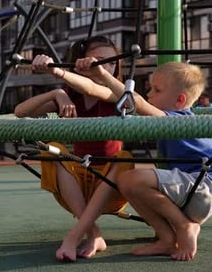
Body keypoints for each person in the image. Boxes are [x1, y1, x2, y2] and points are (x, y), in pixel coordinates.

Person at [32, 57, 212, 261]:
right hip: (189, 192)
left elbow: (137, 102)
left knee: (132, 179)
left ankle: (183, 226)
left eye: (157, 90)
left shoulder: (180, 119)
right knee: (129, 183)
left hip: (203, 187)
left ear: (179, 100)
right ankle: (167, 239)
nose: (150, 94)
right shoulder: (171, 120)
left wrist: (103, 75)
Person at [14, 36, 134, 259]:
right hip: (77, 185)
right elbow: (20, 111)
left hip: (109, 185)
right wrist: (56, 93)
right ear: (80, 63)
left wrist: (56, 71)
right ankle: (93, 232)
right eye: (98, 61)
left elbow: (92, 89)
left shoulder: (117, 95)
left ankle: (74, 236)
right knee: (54, 148)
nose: (105, 68)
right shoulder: (69, 98)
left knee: (124, 157)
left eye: (111, 63)